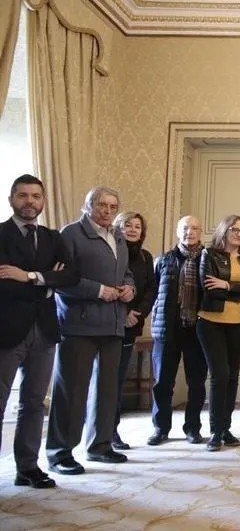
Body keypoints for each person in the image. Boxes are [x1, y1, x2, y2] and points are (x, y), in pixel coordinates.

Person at [47, 186, 135, 475]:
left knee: (106, 391)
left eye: (113, 206)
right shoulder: (70, 234)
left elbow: (126, 272)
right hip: (79, 325)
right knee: (71, 391)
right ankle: (60, 453)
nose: (107, 211)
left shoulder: (118, 236)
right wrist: (99, 291)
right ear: (88, 206)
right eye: (101, 205)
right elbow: (60, 279)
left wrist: (129, 288)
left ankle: (100, 445)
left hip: (113, 324)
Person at [0, 175, 78, 488]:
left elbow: (71, 275)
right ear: (11, 200)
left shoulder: (52, 237)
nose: (29, 201)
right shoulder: (1, 234)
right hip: (6, 330)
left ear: (43, 201)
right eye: (22, 195)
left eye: (35, 196)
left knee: (34, 403)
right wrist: (47, 281)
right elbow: (4, 283)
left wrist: (29, 276)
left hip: (44, 332)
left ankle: (27, 467)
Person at [196, 215, 240, 451]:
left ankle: (226, 428)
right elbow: (209, 288)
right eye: (235, 229)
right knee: (220, 375)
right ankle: (215, 432)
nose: (239, 234)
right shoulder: (208, 254)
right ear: (224, 230)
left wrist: (226, 285)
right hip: (211, 322)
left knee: (233, 375)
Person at [148, 215, 209, 446]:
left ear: (200, 232)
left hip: (198, 330)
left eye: (194, 228)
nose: (189, 232)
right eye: (185, 228)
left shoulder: (209, 259)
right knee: (163, 382)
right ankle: (160, 428)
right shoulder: (163, 260)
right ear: (177, 231)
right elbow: (153, 293)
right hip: (167, 329)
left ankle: (193, 428)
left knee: (197, 382)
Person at [110, 211, 156, 450]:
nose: (132, 229)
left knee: (118, 379)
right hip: (109, 322)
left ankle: (112, 431)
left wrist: (137, 313)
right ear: (117, 227)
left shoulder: (146, 257)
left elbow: (151, 289)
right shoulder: (111, 252)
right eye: (127, 225)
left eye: (137, 226)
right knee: (106, 380)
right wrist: (124, 313)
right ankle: (101, 431)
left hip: (133, 323)